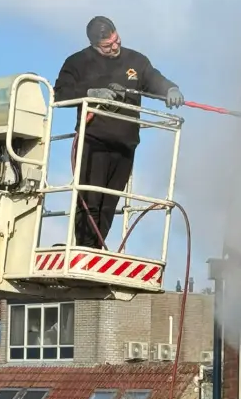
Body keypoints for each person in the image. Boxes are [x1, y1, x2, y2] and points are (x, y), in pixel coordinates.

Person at [53, 16, 184, 249]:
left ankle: (97, 248)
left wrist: (170, 89)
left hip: (125, 145)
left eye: (116, 41)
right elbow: (60, 94)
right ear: (94, 45)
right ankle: (84, 249)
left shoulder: (136, 61)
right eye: (107, 46)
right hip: (93, 143)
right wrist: (90, 92)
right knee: (90, 200)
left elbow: (154, 80)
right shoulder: (77, 62)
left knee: (109, 204)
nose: (114, 47)